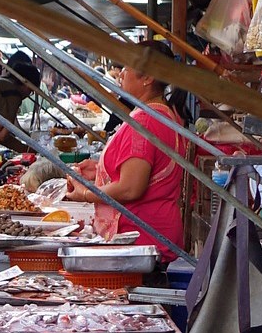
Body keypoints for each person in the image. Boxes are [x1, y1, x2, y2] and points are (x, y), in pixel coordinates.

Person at [63, 41, 188, 262]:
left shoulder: (146, 122)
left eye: (127, 67)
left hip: (142, 241)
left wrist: (84, 194)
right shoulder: (166, 115)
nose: (121, 73)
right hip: (155, 237)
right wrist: (100, 169)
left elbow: (131, 188)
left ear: (148, 78)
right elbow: (145, 170)